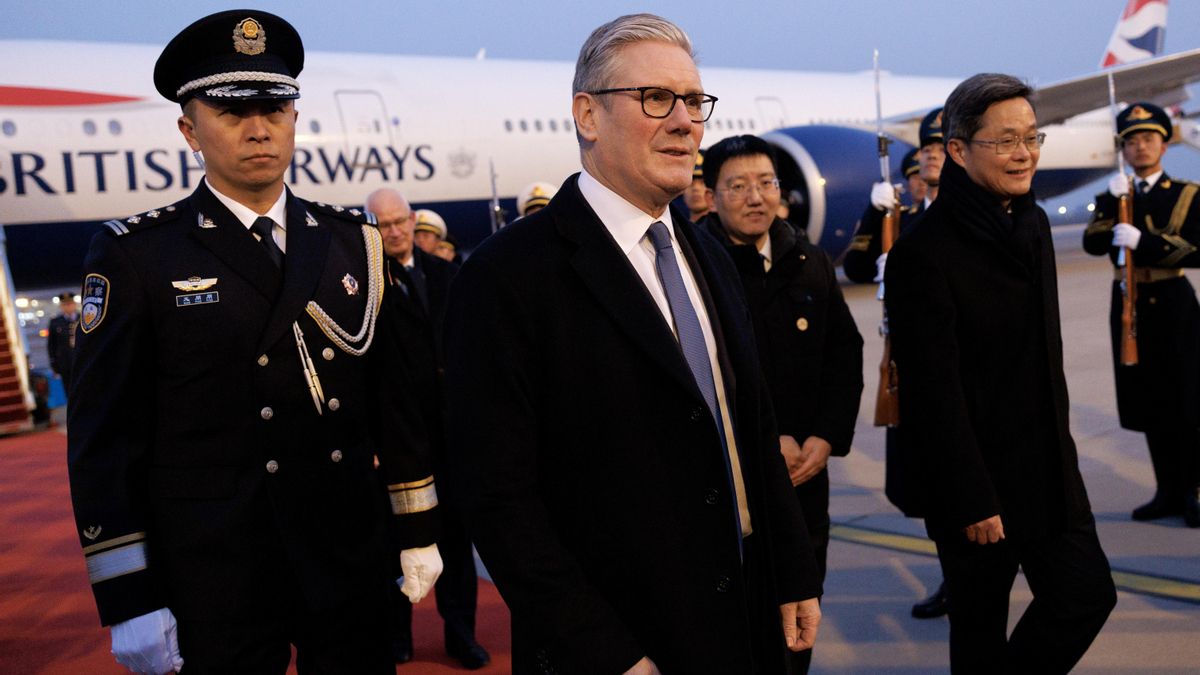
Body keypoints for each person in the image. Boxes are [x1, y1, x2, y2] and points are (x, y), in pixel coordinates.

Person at [443, 14, 822, 675]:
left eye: (694, 101)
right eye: (656, 99)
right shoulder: (507, 277)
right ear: (587, 115)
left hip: (747, 617)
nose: (685, 122)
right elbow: (498, 498)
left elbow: (750, 427)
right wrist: (603, 651)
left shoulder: (708, 254)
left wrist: (790, 568)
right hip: (620, 641)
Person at [67, 11, 442, 674]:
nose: (258, 126)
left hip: (345, 550)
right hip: (216, 568)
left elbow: (396, 403)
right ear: (189, 129)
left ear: (295, 118)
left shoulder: (353, 243)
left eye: (274, 105)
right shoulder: (138, 256)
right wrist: (128, 595)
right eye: (231, 110)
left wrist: (415, 528)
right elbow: (105, 437)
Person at [885, 73, 1116, 673]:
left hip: (1045, 470)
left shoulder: (1031, 225)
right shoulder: (923, 251)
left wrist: (1063, 461)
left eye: (1032, 137)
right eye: (1006, 140)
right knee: (979, 629)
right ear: (958, 151)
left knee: (1086, 595)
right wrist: (971, 497)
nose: (1024, 153)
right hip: (975, 485)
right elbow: (935, 393)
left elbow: (1045, 359)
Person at [701, 134, 863, 674]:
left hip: (804, 475)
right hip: (734, 480)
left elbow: (845, 353)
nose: (756, 198)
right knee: (737, 621)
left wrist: (825, 437)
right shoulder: (694, 266)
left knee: (801, 610)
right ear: (711, 193)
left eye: (765, 183)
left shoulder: (807, 258)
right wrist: (764, 441)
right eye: (738, 186)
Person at [366, 188, 489, 668]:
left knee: (457, 543)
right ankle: (397, 635)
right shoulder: (364, 286)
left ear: (413, 220)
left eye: (401, 221)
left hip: (451, 435)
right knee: (399, 541)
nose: (395, 232)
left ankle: (462, 636)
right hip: (397, 439)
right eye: (384, 224)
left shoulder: (447, 273)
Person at [1083, 102, 1200, 527]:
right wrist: (1116, 206)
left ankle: (1195, 490)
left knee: (1187, 399)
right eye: (1130, 142)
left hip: (1172, 301)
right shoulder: (1114, 195)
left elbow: (1197, 249)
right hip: (1129, 303)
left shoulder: (1187, 194)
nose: (1139, 147)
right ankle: (1166, 490)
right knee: (1148, 399)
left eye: (1147, 139)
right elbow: (1094, 244)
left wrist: (1145, 242)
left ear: (1164, 145)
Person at [843, 108, 943, 284]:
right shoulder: (903, 222)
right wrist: (874, 211)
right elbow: (856, 268)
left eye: (942, 150)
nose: (932, 155)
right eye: (926, 150)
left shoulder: (973, 215)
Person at [47, 292, 78, 394]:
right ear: (61, 306)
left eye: (70, 303)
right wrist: (54, 364)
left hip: (82, 360)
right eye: (65, 304)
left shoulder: (83, 319)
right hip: (65, 363)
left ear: (75, 304)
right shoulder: (55, 322)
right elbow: (51, 345)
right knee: (69, 390)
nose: (68, 306)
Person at [683, 148, 709, 222]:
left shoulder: (725, 229)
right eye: (690, 182)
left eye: (703, 183)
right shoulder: (674, 228)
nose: (696, 188)